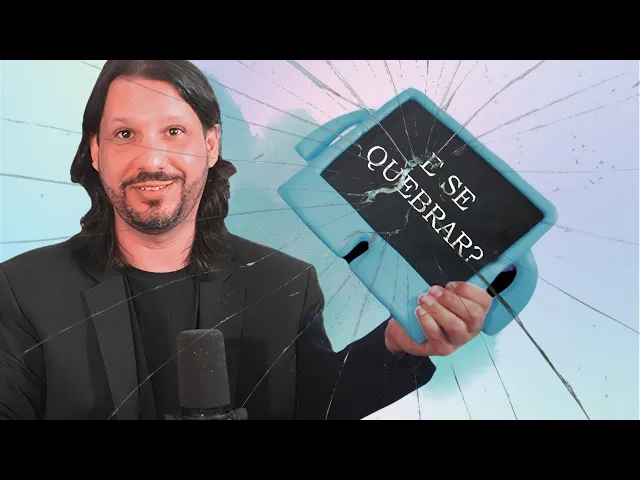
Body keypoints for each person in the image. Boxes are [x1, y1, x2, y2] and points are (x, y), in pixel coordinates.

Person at [0, 60, 493, 420]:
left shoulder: (285, 284)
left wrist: (398, 345)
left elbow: (315, 406)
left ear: (211, 145)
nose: (151, 160)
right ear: (95, 151)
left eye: (174, 131)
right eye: (125, 135)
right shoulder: (23, 289)